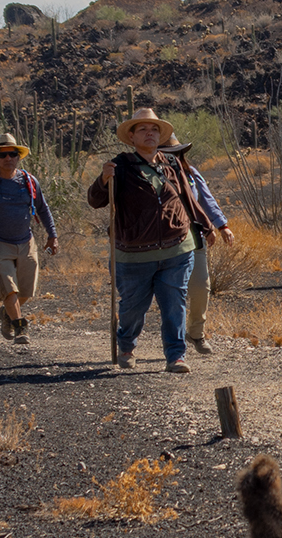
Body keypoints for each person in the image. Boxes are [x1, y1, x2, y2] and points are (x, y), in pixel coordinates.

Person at [89, 108, 215, 374]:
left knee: (174, 303)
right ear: (132, 137)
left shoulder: (171, 163)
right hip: (134, 254)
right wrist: (103, 179)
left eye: (155, 129)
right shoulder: (120, 166)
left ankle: (175, 355)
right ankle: (126, 345)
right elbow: (95, 200)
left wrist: (206, 225)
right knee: (133, 308)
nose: (150, 133)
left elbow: (187, 199)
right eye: (143, 129)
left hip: (176, 248)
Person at [0, 132, 59, 342]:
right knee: (9, 290)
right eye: (3, 155)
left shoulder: (28, 181)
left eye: (12, 154)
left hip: (26, 241)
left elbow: (43, 209)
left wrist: (52, 235)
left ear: (18, 156)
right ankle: (20, 328)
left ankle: (5, 314)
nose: (8, 158)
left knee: (25, 292)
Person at [159, 131, 238, 355]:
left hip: (194, 237)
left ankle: (196, 333)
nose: (171, 157)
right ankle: (175, 341)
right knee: (174, 292)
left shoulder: (191, 174)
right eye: (166, 153)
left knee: (201, 287)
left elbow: (206, 198)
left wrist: (221, 225)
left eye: (175, 153)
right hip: (164, 242)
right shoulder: (152, 175)